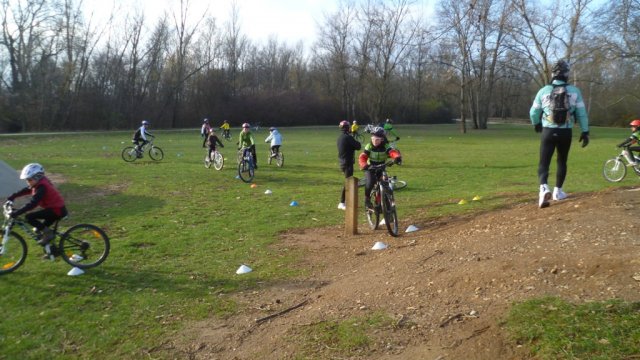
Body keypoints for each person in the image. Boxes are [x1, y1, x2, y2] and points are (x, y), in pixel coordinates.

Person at [530, 59, 589, 208]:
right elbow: (582, 114)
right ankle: (558, 191)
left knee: (544, 162)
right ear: (567, 74)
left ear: (553, 74)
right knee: (562, 161)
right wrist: (585, 131)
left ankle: (543, 188)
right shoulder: (575, 92)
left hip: (548, 131)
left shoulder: (543, 91)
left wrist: (536, 123)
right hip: (565, 132)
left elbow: (534, 111)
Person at [5, 163, 68, 246]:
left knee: (29, 217)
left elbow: (33, 204)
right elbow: (27, 190)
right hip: (54, 209)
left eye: (29, 180)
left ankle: (49, 235)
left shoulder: (42, 187)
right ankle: (51, 251)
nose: (28, 182)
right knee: (38, 230)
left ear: (37, 177)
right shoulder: (38, 183)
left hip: (57, 210)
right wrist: (12, 197)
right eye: (27, 180)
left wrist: (18, 212)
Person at [358, 127, 402, 210]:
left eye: (377, 139)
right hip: (370, 167)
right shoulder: (369, 146)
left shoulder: (385, 146)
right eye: (373, 138)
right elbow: (362, 157)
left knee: (385, 185)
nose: (375, 141)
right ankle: (367, 199)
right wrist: (364, 165)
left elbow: (392, 152)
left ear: (382, 139)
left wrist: (397, 157)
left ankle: (381, 203)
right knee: (370, 181)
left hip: (381, 167)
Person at [337, 120, 362, 210]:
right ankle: (342, 202)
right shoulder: (348, 137)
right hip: (347, 163)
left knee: (348, 181)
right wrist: (353, 138)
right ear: (348, 127)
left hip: (342, 162)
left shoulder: (341, 137)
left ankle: (345, 201)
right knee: (348, 182)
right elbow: (358, 146)